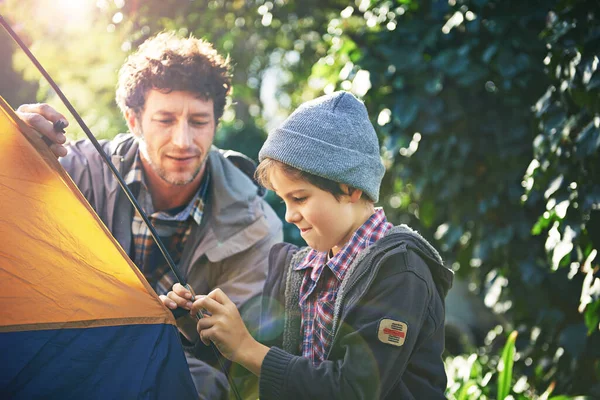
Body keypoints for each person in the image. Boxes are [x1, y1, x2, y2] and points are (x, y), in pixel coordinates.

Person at [16, 32, 282, 399]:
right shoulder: (72, 171)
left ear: (217, 123)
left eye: (199, 121)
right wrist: (13, 148)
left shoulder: (256, 225)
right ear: (133, 119)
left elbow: (233, 363)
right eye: (166, 119)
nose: (183, 141)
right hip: (63, 359)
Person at [165, 91, 454, 399]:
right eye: (284, 200)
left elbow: (353, 390)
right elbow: (266, 369)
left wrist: (247, 348)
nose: (289, 215)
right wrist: (199, 327)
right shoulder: (297, 269)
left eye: (299, 198)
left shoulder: (400, 270)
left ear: (350, 188)